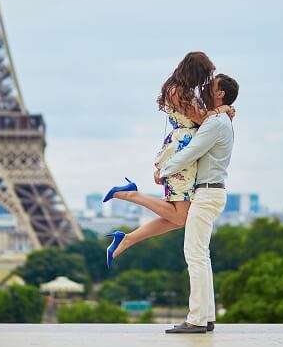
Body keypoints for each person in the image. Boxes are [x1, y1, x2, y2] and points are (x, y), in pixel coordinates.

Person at [101, 53, 234, 268]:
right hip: (183, 153)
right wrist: (223, 109)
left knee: (180, 217)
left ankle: (127, 238)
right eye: (205, 75)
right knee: (181, 217)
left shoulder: (179, 90)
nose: (205, 82)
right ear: (196, 72)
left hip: (184, 151)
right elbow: (202, 119)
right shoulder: (178, 91)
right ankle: (129, 195)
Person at [160, 73, 238, 334]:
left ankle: (196, 320)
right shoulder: (220, 119)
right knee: (201, 257)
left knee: (194, 256)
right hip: (210, 192)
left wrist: (163, 170)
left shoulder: (216, 123)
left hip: (206, 194)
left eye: (211, 86)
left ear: (220, 94)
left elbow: (192, 150)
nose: (206, 87)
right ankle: (206, 316)